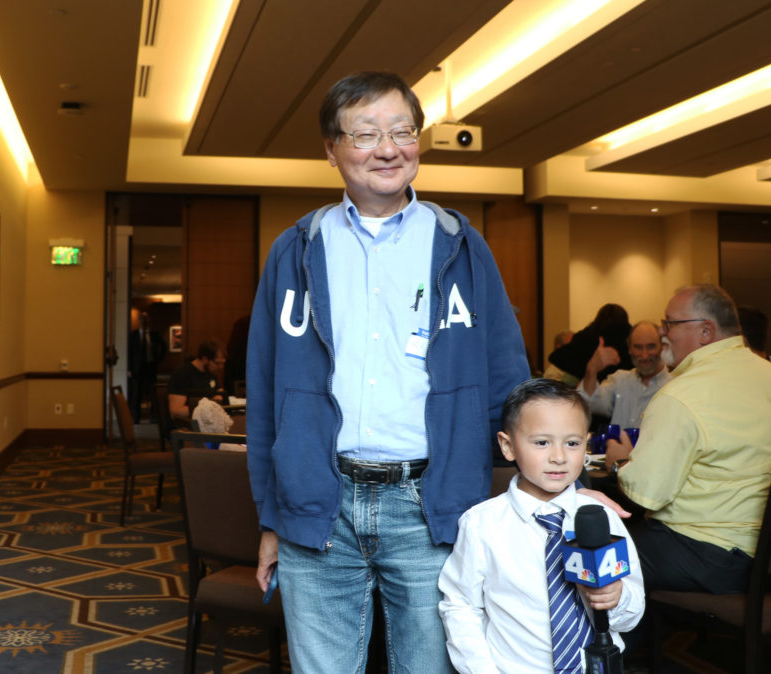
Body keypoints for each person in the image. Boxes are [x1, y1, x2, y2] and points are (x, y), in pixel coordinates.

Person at [244, 71, 532, 672]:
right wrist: (273, 517)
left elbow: (509, 379)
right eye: (366, 134)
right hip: (318, 501)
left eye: (403, 131)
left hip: (431, 504)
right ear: (331, 149)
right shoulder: (295, 250)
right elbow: (268, 393)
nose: (388, 149)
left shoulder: (461, 245)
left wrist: (548, 494)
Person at [438, 379, 644, 672]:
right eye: (541, 442)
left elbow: (630, 614)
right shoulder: (482, 525)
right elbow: (461, 606)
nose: (559, 457)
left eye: (572, 443)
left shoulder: (601, 517)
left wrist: (619, 597)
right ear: (508, 446)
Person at [616, 284, 771, 594]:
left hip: (712, 556)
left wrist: (620, 463)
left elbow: (647, 494)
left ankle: (613, 642)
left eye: (670, 323)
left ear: (706, 331)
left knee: (592, 554)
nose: (664, 334)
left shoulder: (682, 394)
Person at [579, 320, 670, 436]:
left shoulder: (674, 384)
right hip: (617, 454)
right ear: (629, 349)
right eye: (638, 347)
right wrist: (591, 369)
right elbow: (589, 404)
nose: (644, 355)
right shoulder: (620, 380)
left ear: (662, 347)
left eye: (651, 347)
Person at [544, 303, 632, 387]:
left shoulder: (589, 337)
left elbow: (557, 357)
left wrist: (583, 372)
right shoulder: (629, 340)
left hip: (593, 389)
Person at [167, 340, 225, 420]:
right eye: (217, 363)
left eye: (223, 363)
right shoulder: (182, 374)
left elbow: (219, 394)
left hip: (208, 420)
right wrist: (208, 406)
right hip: (188, 424)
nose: (221, 367)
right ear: (205, 359)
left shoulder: (211, 374)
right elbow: (175, 412)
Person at [127, 311, 166, 422]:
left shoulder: (154, 334)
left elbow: (164, 348)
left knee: (152, 393)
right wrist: (129, 369)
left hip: (151, 367)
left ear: (149, 321)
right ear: (138, 321)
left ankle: (153, 416)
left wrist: (158, 359)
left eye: (146, 318)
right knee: (136, 394)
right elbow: (129, 353)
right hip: (136, 369)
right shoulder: (133, 335)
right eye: (141, 319)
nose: (144, 321)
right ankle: (136, 417)